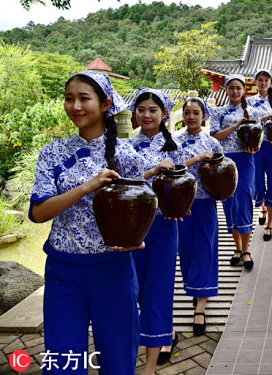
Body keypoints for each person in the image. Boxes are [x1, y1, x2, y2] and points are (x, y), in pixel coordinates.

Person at [29, 71, 167, 374]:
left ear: (105, 104)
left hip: (113, 270)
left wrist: (138, 235)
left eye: (83, 98)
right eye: (69, 98)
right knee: (64, 363)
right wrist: (87, 187)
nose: (75, 106)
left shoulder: (127, 154)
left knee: (118, 360)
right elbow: (38, 213)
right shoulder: (53, 153)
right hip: (63, 270)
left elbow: (142, 204)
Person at [128, 88, 183, 371]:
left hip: (163, 226)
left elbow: (185, 185)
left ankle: (149, 365)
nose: (147, 114)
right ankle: (129, 345)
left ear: (164, 115)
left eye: (153, 110)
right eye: (141, 109)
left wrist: (179, 208)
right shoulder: (124, 147)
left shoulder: (175, 147)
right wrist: (151, 172)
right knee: (132, 287)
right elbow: (121, 183)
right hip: (131, 228)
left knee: (158, 288)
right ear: (135, 114)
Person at [177, 97, 223, 336]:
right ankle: (193, 288)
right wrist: (196, 159)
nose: (191, 117)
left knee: (206, 249)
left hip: (205, 204)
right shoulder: (174, 141)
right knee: (186, 250)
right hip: (181, 204)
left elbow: (222, 170)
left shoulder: (213, 142)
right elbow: (172, 167)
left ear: (204, 116)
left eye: (196, 113)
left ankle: (201, 306)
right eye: (187, 113)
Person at [210, 74, 260, 269]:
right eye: (231, 87)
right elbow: (215, 137)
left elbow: (257, 136)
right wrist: (237, 124)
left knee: (245, 199)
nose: (235, 91)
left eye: (238, 88)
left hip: (246, 160)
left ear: (244, 90)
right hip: (225, 162)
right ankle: (236, 247)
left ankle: (246, 249)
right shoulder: (218, 113)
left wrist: (254, 148)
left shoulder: (253, 112)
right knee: (230, 203)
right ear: (226, 89)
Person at [248, 69, 272, 241]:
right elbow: (247, 123)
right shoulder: (248, 101)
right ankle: (262, 206)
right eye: (260, 80)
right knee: (257, 183)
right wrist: (266, 116)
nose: (263, 83)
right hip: (256, 148)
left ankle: (269, 224)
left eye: (266, 80)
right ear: (255, 82)